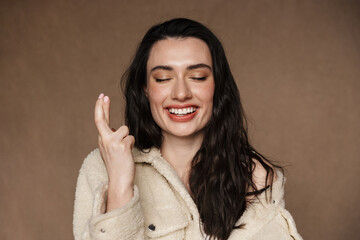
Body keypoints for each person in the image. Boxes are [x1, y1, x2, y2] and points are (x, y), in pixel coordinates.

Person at [73, 18, 303, 240]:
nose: (181, 93)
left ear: (217, 86)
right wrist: (120, 183)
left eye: (197, 76)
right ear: (145, 89)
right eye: (163, 78)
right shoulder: (101, 170)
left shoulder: (257, 176)